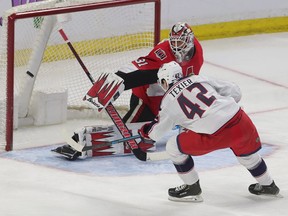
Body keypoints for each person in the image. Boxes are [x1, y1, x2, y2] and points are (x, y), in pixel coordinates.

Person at [53, 22, 204, 160]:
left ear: (190, 41)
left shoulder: (197, 54)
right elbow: (139, 68)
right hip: (148, 98)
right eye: (174, 42)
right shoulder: (163, 52)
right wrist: (116, 82)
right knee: (131, 133)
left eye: (180, 42)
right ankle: (77, 143)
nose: (176, 46)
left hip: (170, 99)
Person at [138, 61, 280, 202]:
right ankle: (269, 186)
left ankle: (191, 188)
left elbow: (156, 131)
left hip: (216, 135)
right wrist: (220, 108)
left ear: (165, 80)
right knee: (247, 156)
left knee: (173, 147)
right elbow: (234, 91)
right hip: (241, 121)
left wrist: (144, 135)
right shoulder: (197, 78)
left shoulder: (168, 100)